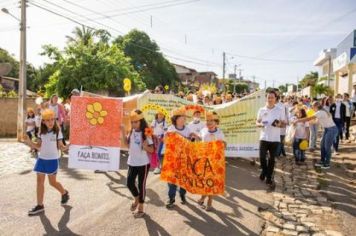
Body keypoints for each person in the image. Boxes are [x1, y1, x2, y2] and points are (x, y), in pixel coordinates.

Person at [24, 109, 69, 216]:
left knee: (52, 182)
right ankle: (40, 205)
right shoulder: (41, 131)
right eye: (47, 120)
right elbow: (39, 146)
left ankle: (64, 192)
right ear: (43, 121)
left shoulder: (57, 131)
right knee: (39, 182)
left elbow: (61, 148)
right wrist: (29, 142)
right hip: (41, 159)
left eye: (52, 119)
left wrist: (70, 145)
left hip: (52, 160)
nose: (50, 122)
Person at [121, 110, 154, 218]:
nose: (134, 124)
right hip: (132, 162)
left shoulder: (147, 131)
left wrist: (145, 147)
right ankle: (136, 198)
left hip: (143, 163)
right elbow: (127, 145)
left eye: (136, 122)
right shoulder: (131, 131)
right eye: (132, 122)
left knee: (141, 185)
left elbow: (152, 149)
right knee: (129, 183)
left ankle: (141, 208)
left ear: (141, 121)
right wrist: (122, 132)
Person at [165, 106, 198, 208]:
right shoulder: (171, 129)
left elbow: (190, 143)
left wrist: (192, 137)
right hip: (173, 159)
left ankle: (182, 195)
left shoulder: (188, 129)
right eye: (182, 117)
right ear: (176, 118)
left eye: (184, 117)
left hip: (184, 159)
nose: (184, 119)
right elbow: (166, 141)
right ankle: (171, 198)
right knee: (172, 181)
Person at [294, 101, 338, 169]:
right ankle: (322, 161)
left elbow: (309, 118)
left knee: (327, 147)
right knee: (322, 145)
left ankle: (327, 163)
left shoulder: (320, 112)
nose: (312, 108)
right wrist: (306, 123)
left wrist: (298, 120)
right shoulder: (320, 112)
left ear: (316, 106)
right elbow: (314, 121)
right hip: (327, 130)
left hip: (331, 130)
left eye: (312, 107)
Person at [256, 90, 286, 187]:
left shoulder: (279, 110)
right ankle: (265, 172)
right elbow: (257, 122)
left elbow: (284, 123)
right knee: (262, 158)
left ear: (275, 99)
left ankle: (268, 177)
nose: (270, 99)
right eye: (268, 97)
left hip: (275, 139)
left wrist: (279, 125)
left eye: (272, 97)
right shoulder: (261, 110)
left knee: (272, 159)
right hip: (264, 137)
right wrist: (260, 124)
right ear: (266, 98)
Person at [197, 111, 225, 211]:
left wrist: (217, 142)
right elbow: (199, 142)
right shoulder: (203, 130)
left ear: (216, 122)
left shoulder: (219, 133)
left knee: (211, 182)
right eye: (207, 120)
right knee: (205, 182)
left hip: (215, 161)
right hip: (204, 160)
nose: (209, 123)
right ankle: (202, 198)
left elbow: (224, 146)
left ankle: (209, 202)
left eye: (211, 121)